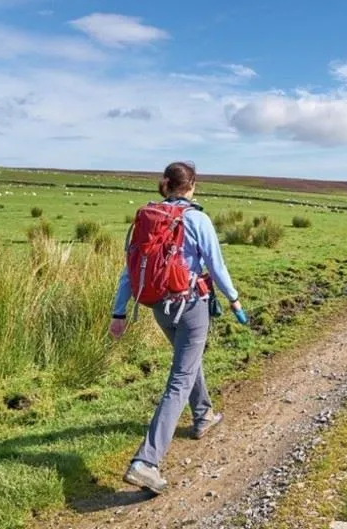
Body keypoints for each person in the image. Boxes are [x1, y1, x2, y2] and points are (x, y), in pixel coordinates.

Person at [109, 161, 247, 494]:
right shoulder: (198, 219)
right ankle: (146, 461)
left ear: (166, 185)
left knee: (188, 359)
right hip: (191, 306)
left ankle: (203, 415)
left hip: (158, 306)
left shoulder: (147, 218)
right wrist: (234, 299)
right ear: (192, 186)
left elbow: (130, 270)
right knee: (180, 378)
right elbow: (216, 265)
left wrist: (119, 312)